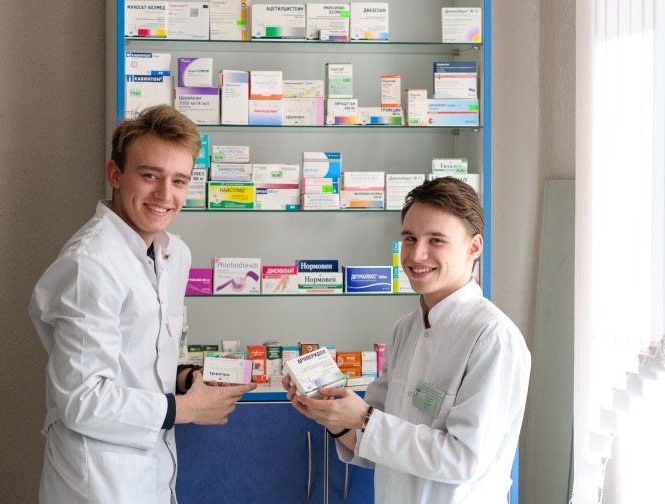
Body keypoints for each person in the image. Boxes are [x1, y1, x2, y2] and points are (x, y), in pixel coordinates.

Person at [29, 104, 256, 504]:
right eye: (150, 175)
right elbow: (82, 400)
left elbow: (142, 353)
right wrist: (185, 410)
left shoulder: (174, 253)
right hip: (97, 479)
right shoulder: (91, 263)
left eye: (179, 180)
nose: (165, 195)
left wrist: (185, 379)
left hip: (152, 468)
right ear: (115, 174)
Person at [283, 176, 531, 503]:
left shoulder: (493, 338)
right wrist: (334, 418)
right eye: (410, 238)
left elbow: (464, 459)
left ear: (474, 247)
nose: (417, 254)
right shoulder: (405, 329)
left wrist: (364, 418)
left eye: (436, 240)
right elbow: (376, 444)